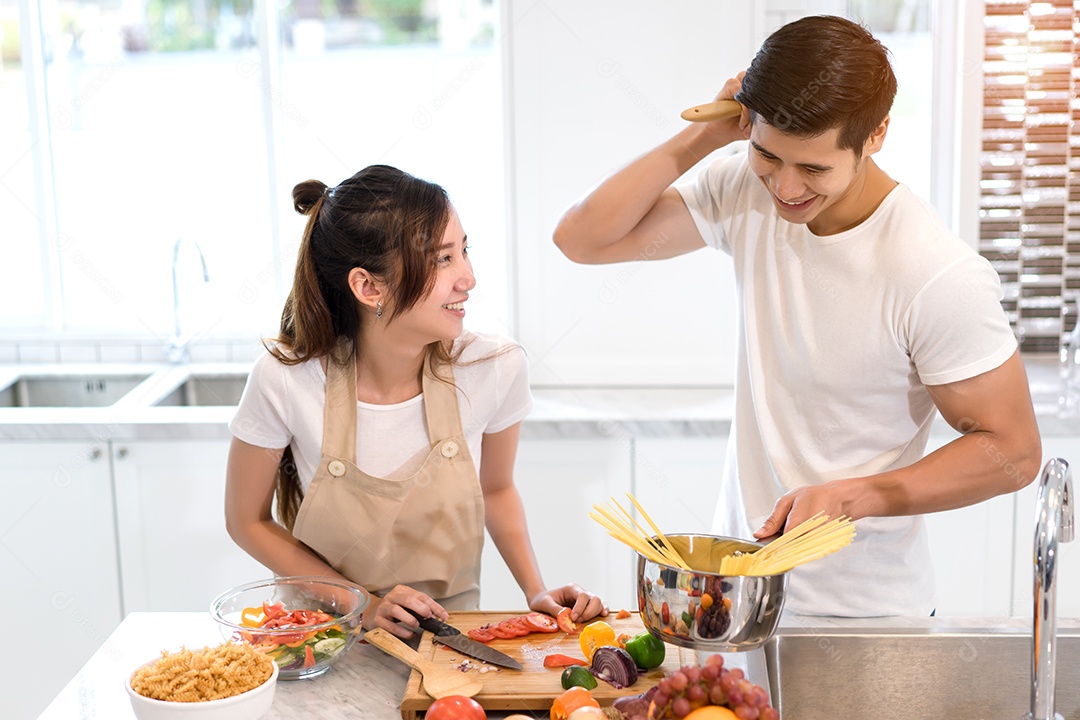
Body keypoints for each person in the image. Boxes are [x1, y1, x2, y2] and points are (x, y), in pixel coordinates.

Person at [553, 16, 1041, 616]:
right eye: (768, 155)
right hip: (735, 598)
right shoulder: (744, 190)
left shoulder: (934, 274)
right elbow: (583, 240)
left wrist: (854, 497)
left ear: (877, 134)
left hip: (863, 615)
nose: (785, 188)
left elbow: (1013, 452)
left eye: (813, 168)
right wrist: (707, 137)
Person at [226, 164, 607, 636]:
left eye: (464, 251)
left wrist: (537, 591)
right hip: (324, 634)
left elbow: (497, 490)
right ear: (369, 287)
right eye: (442, 259)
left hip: (449, 632)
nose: (468, 277)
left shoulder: (494, 367)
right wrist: (361, 606)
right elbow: (247, 521)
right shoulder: (286, 378)